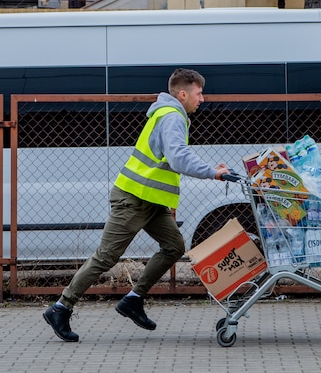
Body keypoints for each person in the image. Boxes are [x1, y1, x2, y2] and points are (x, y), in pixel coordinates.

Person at [43, 68, 231, 342]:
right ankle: (61, 307)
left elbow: (172, 157)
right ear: (183, 94)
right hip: (133, 198)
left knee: (174, 247)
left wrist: (212, 169)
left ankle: (133, 299)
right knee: (106, 257)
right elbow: (178, 157)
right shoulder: (172, 117)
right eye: (199, 93)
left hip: (150, 200)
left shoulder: (170, 115)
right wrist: (213, 172)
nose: (202, 99)